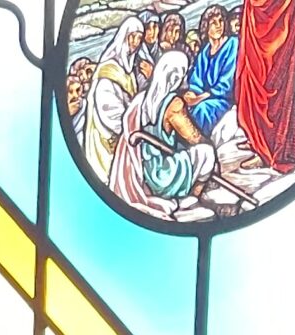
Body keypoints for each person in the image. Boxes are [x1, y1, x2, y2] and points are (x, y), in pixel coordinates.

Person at [113, 49, 219, 218]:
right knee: (206, 151)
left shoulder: (142, 99)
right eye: (183, 73)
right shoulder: (174, 104)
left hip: (148, 172)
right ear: (176, 76)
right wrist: (214, 163)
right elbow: (194, 138)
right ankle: (191, 198)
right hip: (165, 176)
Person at [235, 0, 295, 172]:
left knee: (273, 85)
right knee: (251, 78)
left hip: (282, 15)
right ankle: (257, 139)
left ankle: (270, 150)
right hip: (255, 16)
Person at [82, 14, 147, 182]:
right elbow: (109, 112)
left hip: (125, 134)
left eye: (139, 38)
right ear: (124, 36)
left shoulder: (127, 71)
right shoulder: (108, 72)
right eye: (132, 36)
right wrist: (130, 130)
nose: (135, 42)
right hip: (107, 139)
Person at [185, 5, 239, 134]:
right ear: (206, 27)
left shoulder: (233, 44)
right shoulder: (205, 51)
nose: (219, 25)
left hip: (223, 100)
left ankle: (201, 142)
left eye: (221, 21)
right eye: (213, 23)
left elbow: (226, 85)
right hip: (204, 98)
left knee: (202, 109)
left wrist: (199, 98)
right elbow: (196, 81)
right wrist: (191, 94)